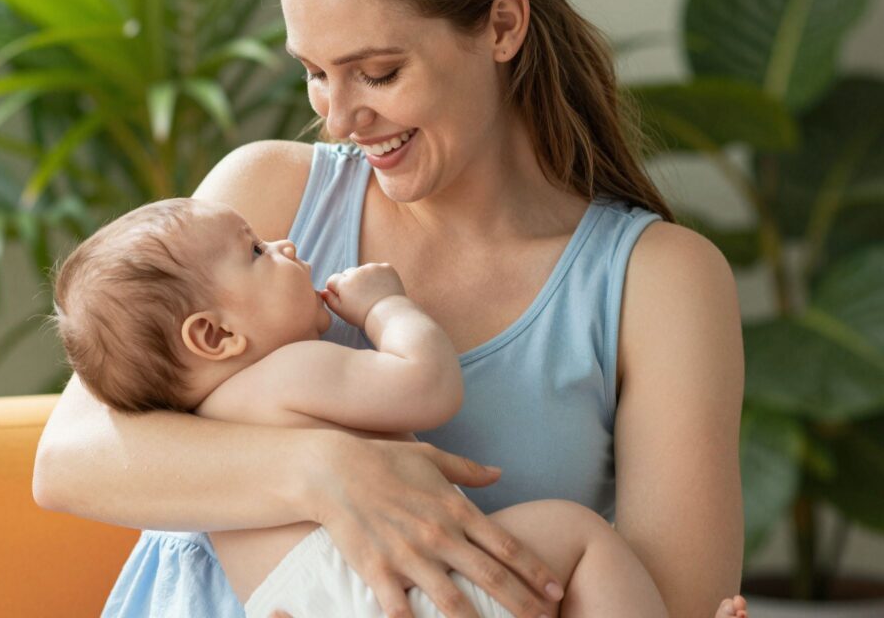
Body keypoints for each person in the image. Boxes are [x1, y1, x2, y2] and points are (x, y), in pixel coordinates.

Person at [33, 0, 747, 616]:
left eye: (375, 73)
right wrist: (327, 469)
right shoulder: (266, 194)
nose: (338, 118)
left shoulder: (656, 281)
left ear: (502, 25)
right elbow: (69, 462)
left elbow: (677, 600)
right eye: (313, 72)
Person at [48, 196, 750, 618]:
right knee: (578, 536)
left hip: (308, 599)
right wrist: (386, 307)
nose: (287, 243)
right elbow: (425, 386)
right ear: (216, 334)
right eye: (258, 252)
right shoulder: (291, 371)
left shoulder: (203, 420)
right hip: (388, 587)